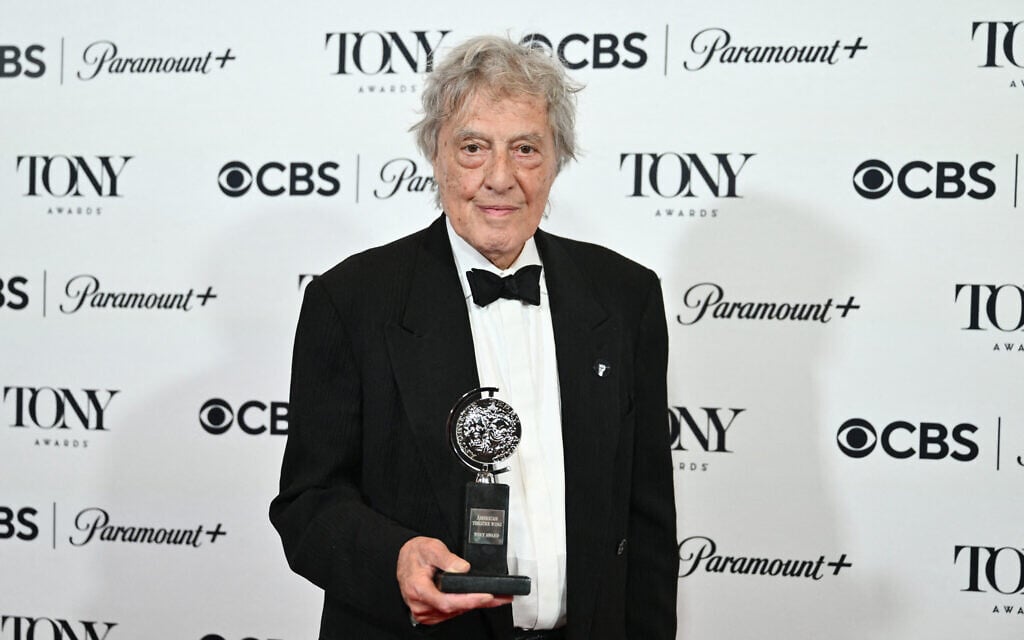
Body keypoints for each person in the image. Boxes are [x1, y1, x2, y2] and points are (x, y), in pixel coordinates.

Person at [270, 35, 677, 640]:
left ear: (557, 160)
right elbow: (308, 503)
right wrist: (395, 558)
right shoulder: (352, 301)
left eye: (525, 149)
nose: (500, 178)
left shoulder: (625, 296)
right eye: (473, 148)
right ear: (435, 155)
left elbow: (648, 519)